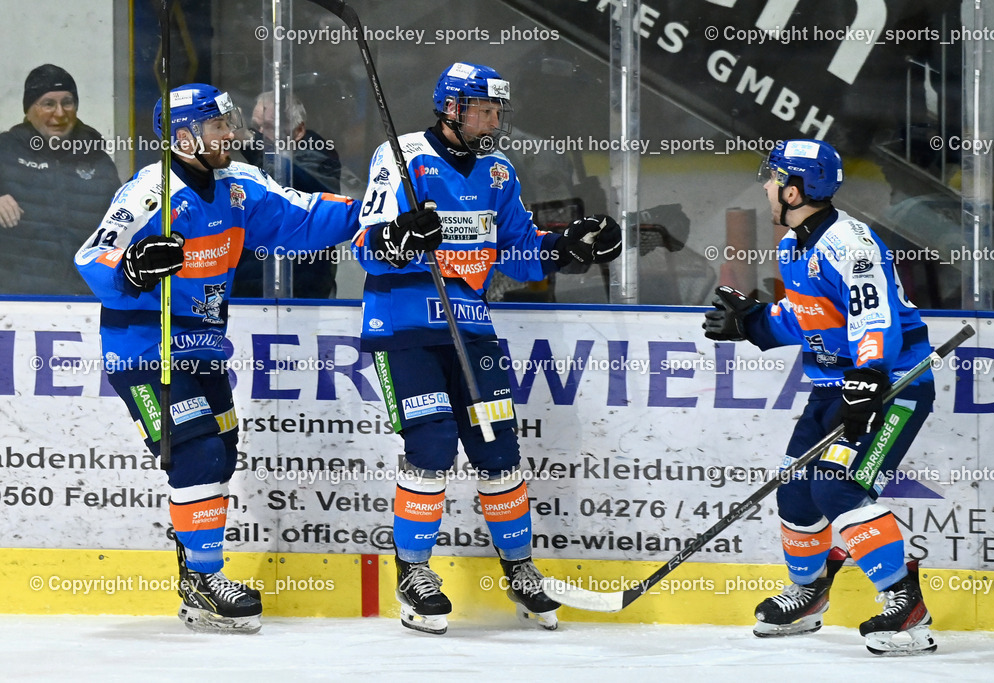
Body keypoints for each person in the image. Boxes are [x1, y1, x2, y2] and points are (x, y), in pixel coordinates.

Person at [74, 83, 361, 633]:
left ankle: (192, 580)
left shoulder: (238, 185)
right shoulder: (149, 195)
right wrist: (131, 268)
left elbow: (302, 218)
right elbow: (93, 256)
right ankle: (206, 582)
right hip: (146, 348)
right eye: (217, 126)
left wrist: (377, 212)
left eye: (228, 123)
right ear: (182, 137)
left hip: (205, 345)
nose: (231, 133)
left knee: (221, 452)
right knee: (200, 453)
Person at [351, 62, 621, 635]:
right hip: (404, 327)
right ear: (451, 108)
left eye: (498, 110)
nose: (493, 120)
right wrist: (399, 238)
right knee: (431, 444)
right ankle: (413, 574)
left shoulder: (498, 172)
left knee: (499, 450)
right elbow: (366, 244)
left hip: (472, 328)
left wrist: (571, 245)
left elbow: (517, 252)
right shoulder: (401, 157)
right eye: (483, 109)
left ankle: (521, 569)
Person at [703, 139, 937, 655]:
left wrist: (870, 376)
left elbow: (873, 318)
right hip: (836, 387)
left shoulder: (850, 243)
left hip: (892, 385)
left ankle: (906, 606)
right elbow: (811, 319)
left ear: (792, 190)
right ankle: (809, 594)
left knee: (837, 488)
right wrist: (753, 322)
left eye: (772, 178)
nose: (765, 186)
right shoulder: (793, 247)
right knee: (797, 492)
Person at [0, 64, 120, 295]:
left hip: (85, 298)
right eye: (48, 104)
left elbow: (123, 224)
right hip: (15, 300)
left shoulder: (98, 159)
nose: (60, 113)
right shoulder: (5, 150)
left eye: (67, 102)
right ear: (29, 109)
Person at [233, 91, 355, 298]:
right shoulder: (257, 158)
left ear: (298, 131)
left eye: (269, 127)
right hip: (248, 284)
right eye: (256, 126)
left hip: (303, 286)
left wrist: (250, 139)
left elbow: (286, 179)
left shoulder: (318, 153)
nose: (260, 132)